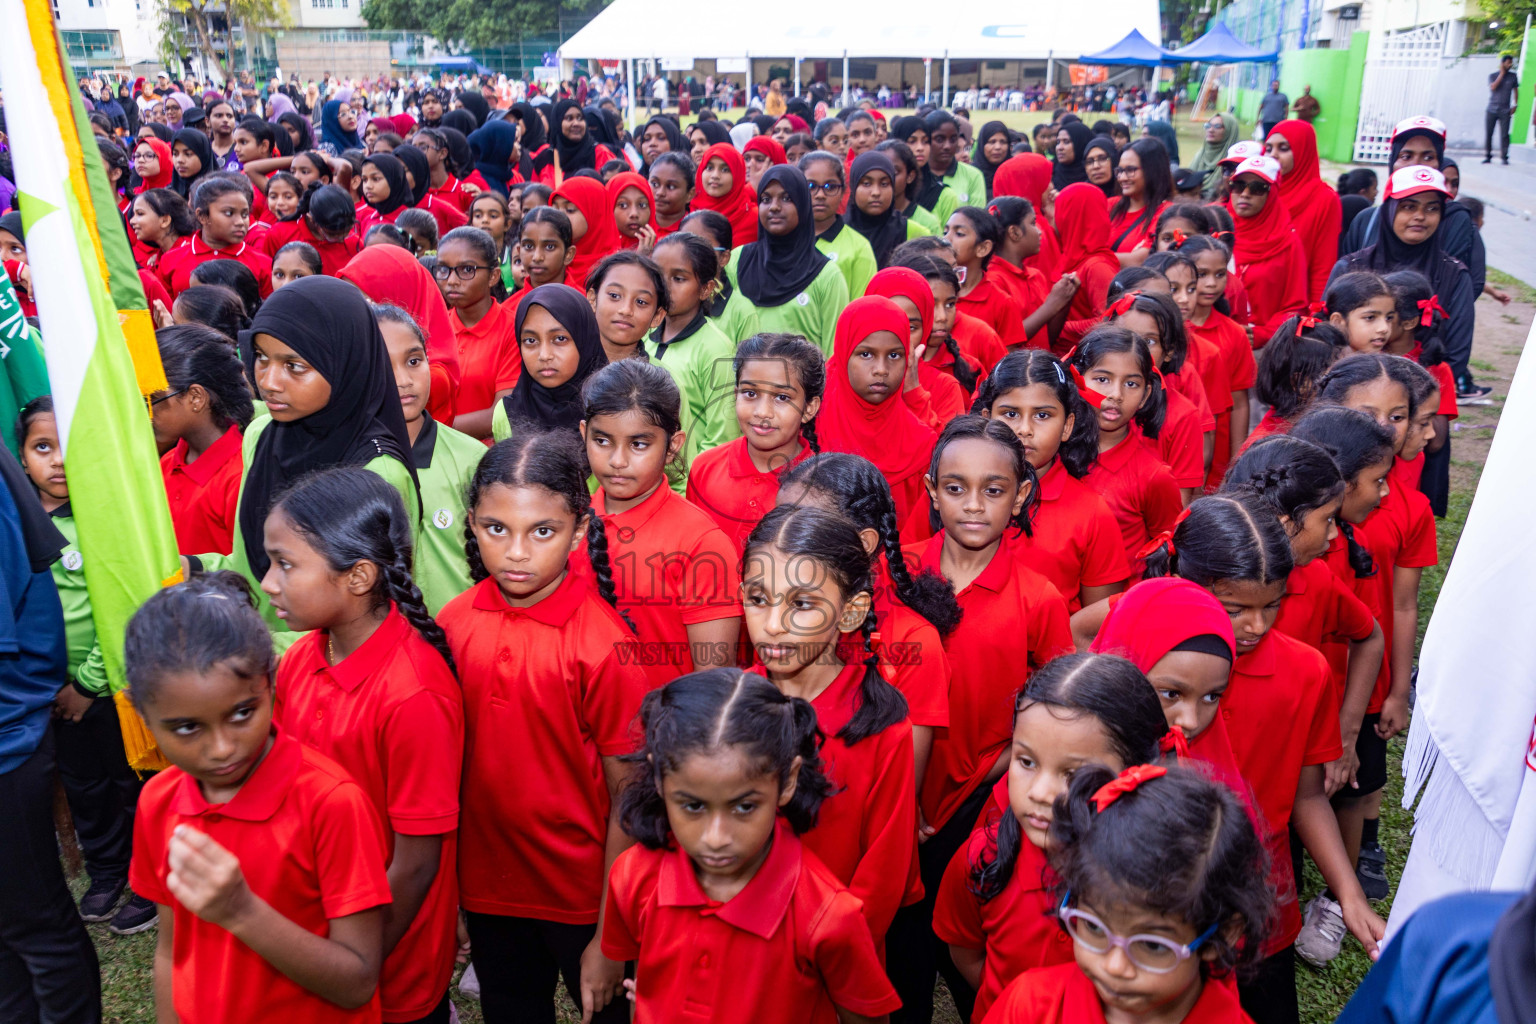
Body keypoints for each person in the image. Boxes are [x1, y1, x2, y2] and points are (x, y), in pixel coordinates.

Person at [439, 430, 646, 1024]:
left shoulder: (604, 646)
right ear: (473, 524)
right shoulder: (453, 625)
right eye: (496, 529)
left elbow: (630, 798)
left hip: (584, 895)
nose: (517, 552)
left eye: (543, 531)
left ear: (579, 531)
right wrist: (450, 892)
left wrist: (611, 936)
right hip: (487, 887)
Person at [124, 573, 392, 1023]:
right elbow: (172, 953)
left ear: (270, 682)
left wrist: (242, 911)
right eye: (187, 727)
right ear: (143, 715)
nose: (223, 748)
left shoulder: (330, 803)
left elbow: (358, 980)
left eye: (242, 713)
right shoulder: (158, 802)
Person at [264, 467, 463, 1024]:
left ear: (357, 577)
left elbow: (415, 864)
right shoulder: (303, 660)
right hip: (316, 930)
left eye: (285, 564)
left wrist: (354, 961)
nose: (267, 583)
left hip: (387, 959)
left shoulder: (413, 695)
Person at [603, 669, 902, 1023]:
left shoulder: (828, 916)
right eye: (693, 806)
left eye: (744, 806)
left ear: (787, 781)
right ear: (658, 779)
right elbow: (645, 979)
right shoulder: (632, 876)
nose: (716, 837)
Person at [930, 650, 1164, 1023]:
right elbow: (966, 953)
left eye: (1073, 774)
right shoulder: (982, 858)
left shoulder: (1165, 880)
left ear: (1136, 772)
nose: (1039, 792)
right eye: (1026, 762)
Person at [741, 505, 917, 952]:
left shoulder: (881, 728)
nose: (773, 625)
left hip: (833, 956)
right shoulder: (733, 705)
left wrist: (833, 952)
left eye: (801, 604)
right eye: (758, 599)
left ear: (851, 612)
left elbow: (882, 878)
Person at [985, 765, 1270, 1024]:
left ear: (1223, 934)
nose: (1114, 966)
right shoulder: (1030, 1008)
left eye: (1153, 945)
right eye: (1094, 926)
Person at [1332, 166, 1477, 405]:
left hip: (1421, 407)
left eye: (1432, 208)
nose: (1420, 216)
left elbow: (1457, 353)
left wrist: (1410, 405)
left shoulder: (1455, 274)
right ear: (1389, 210)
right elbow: (1330, 338)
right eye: (1409, 206)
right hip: (1350, 402)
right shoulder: (1351, 267)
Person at [375, 303, 482, 614]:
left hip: (458, 639)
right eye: (384, 365)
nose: (403, 379)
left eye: (413, 360)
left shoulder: (471, 458)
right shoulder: (352, 463)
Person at [687, 333, 823, 553]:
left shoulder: (823, 486)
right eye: (750, 393)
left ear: (809, 408)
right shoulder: (705, 468)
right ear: (735, 395)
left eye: (782, 397)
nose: (762, 412)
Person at [817, 296, 938, 524]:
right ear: (843, 354)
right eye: (866, 354)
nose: (881, 370)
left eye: (894, 355)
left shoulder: (921, 443)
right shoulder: (810, 426)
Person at [1069, 327, 1181, 570]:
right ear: (1076, 380)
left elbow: (1168, 553)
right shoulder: (1052, 453)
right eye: (1102, 379)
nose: (1115, 394)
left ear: (1145, 395)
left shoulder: (1154, 477)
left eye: (1131, 383)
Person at [719, 166, 850, 353]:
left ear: (803, 205)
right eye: (765, 199)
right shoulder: (737, 261)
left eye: (786, 198)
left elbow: (834, 355)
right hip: (743, 381)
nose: (774, 206)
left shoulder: (827, 276)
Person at [151, 325, 254, 555]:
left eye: (152, 400)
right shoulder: (168, 462)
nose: (143, 412)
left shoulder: (239, 477)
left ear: (195, 398)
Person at [645, 232, 739, 464]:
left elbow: (722, 438)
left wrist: (691, 484)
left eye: (678, 278)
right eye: (657, 275)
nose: (664, 287)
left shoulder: (717, 349)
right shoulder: (644, 334)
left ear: (706, 289)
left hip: (689, 484)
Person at [1225, 155, 1307, 340]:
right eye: (1238, 185)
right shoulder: (1217, 228)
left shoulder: (1288, 243)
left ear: (1272, 194)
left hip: (1260, 345)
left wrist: (1263, 334)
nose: (1245, 194)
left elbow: (1295, 307)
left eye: (1257, 188)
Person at [1266, 120, 1342, 302]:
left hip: (1295, 305)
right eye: (1268, 149)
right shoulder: (1258, 190)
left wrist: (1314, 316)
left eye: (1283, 148)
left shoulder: (1324, 199)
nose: (1273, 155)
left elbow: (1323, 266)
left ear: (1302, 152)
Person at [802, 152, 879, 300]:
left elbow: (861, 309)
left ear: (843, 191)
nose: (820, 195)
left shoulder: (859, 248)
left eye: (830, 187)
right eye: (810, 186)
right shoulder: (785, 241)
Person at [1485, 54, 1518, 165]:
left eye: (1511, 63)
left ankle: (1504, 157)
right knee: (1489, 133)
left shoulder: (1513, 76)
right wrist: (1502, 74)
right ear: (1502, 63)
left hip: (1505, 110)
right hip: (1491, 109)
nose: (1510, 65)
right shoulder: (1493, 75)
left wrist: (1515, 105)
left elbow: (1516, 91)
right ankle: (1488, 156)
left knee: (1504, 135)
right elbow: (1493, 87)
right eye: (1508, 62)